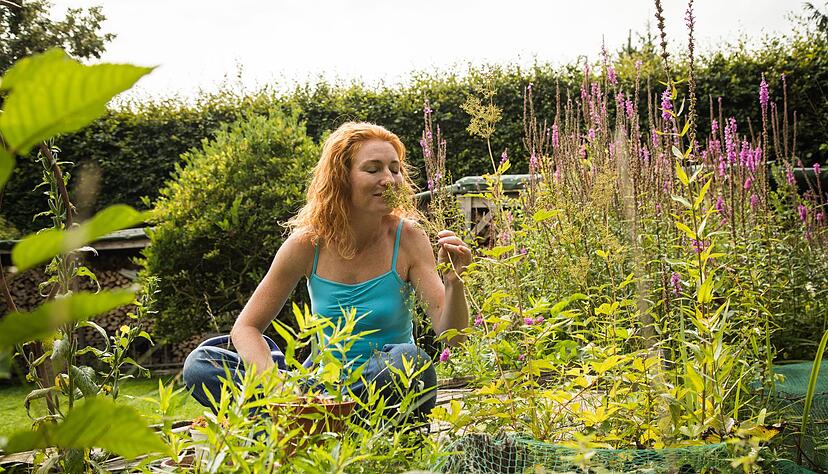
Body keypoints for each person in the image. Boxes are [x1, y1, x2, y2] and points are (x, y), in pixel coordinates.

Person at [182, 121, 471, 419]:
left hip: (383, 380)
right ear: (341, 177)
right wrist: (274, 383)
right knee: (201, 364)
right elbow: (245, 328)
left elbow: (454, 338)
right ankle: (314, 413)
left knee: (409, 362)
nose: (389, 179)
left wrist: (455, 284)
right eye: (373, 169)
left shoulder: (409, 238)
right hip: (320, 388)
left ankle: (307, 422)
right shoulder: (307, 244)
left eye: (395, 169)